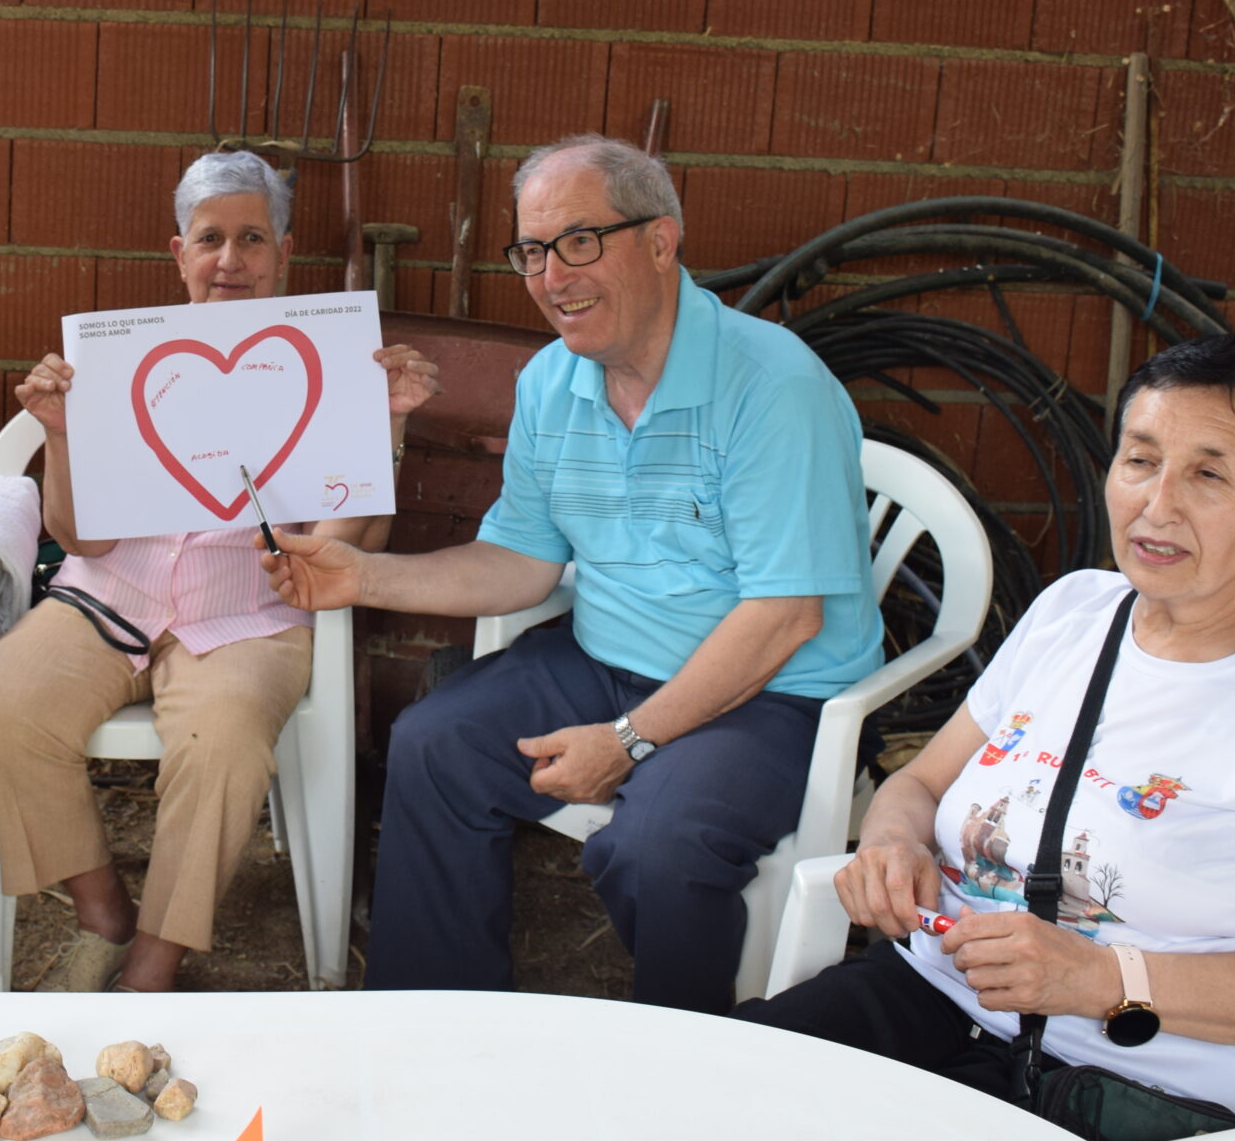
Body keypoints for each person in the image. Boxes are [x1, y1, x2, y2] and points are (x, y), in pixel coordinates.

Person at [264, 134, 879, 1014]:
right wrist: (361, 576)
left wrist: (626, 740)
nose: (553, 277)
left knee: (659, 847)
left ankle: (684, 1054)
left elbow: (785, 616)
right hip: (607, 659)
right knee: (434, 744)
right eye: (532, 250)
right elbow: (520, 560)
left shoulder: (773, 386)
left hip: (773, 692)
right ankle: (435, 1027)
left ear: (660, 241)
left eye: (581, 242)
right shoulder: (553, 381)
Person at [731, 336, 1235, 1125]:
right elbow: (918, 782)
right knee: (708, 1095)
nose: (1158, 504)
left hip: (1119, 1078)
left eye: (1209, 474)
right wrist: (893, 845)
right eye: (1141, 460)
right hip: (933, 991)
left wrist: (1100, 977)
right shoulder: (1075, 610)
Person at [0, 150, 440, 992]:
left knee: (220, 741)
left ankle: (154, 960)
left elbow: (340, 543)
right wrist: (63, 435)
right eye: (210, 238)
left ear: (283, 253)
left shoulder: (322, 362)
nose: (230, 259)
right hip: (111, 594)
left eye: (252, 238)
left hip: (251, 611)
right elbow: (81, 540)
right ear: (178, 252)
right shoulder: (120, 363)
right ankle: (103, 912)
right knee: (4, 708)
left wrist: (384, 427)